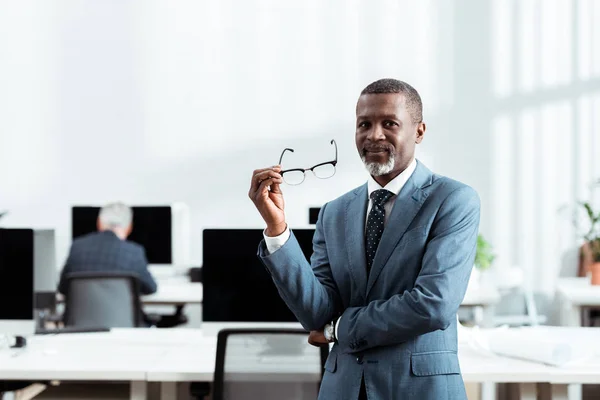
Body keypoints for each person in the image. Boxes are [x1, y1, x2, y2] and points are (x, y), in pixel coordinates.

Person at [249, 78, 480, 399]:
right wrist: (277, 230)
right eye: (364, 124)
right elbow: (316, 312)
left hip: (418, 388)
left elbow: (433, 304)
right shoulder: (335, 212)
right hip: (342, 387)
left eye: (389, 123)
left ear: (419, 131)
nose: (374, 135)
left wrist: (339, 329)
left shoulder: (452, 199)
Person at [58, 202, 157, 296]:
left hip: (80, 314)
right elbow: (151, 288)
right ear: (129, 227)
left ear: (99, 223)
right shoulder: (134, 252)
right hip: (120, 313)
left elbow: (62, 288)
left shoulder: (77, 247)